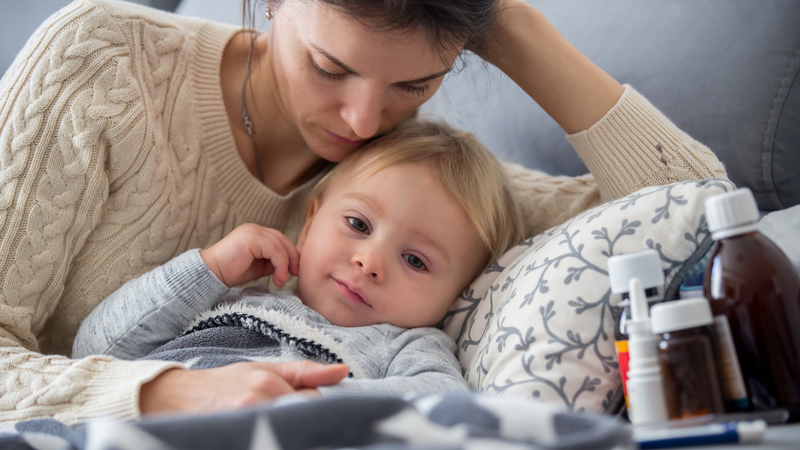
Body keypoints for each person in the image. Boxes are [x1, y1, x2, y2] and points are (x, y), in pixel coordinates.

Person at [0, 0, 726, 426]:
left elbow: (701, 216)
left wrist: (506, 27)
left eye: (415, 83)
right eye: (329, 67)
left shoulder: (410, 178)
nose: (361, 119)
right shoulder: (103, 63)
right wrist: (166, 392)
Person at [72, 120, 525, 399]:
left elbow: (440, 401)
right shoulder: (232, 295)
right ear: (309, 224)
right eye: (358, 225)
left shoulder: (405, 347)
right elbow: (95, 351)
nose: (369, 261)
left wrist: (310, 402)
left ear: (456, 296)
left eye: (416, 260)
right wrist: (205, 270)